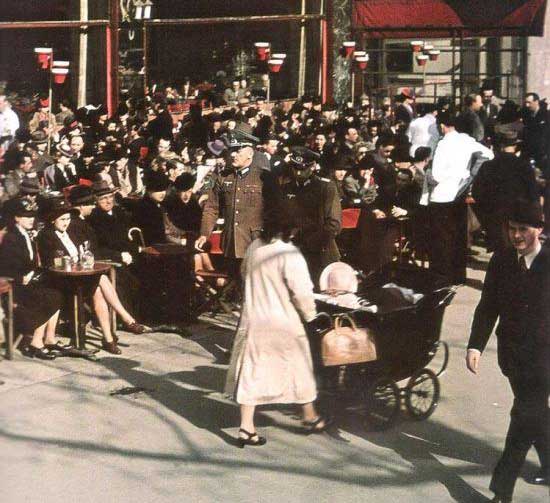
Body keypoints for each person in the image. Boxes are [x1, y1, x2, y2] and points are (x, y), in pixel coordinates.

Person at [224, 205, 329, 447]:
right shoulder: (289, 254)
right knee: (299, 367)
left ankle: (246, 427)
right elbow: (302, 291)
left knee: (252, 371)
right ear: (291, 230)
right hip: (283, 321)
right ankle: (309, 416)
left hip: (254, 318)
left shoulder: (255, 247)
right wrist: (311, 315)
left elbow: (243, 273)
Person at [466, 199, 549, 502]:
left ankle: (502, 490)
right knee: (535, 414)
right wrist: (475, 344)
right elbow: (487, 307)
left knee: (524, 416)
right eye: (511, 229)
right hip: (513, 356)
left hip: (544, 359)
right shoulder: (501, 260)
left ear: (538, 230)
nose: (515, 236)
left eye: (522, 230)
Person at [426, 111, 493, 285]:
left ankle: (442, 277)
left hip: (441, 196)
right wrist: (470, 175)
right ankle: (458, 275)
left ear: (442, 126)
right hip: (459, 194)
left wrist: (429, 176)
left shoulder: (443, 144)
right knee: (458, 237)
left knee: (441, 239)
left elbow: (437, 174)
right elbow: (488, 155)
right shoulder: (467, 140)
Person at [195, 132, 280, 264]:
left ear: (250, 154)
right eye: (232, 150)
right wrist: (204, 234)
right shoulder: (223, 177)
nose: (233, 154)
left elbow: (275, 210)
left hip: (256, 244)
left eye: (238, 151)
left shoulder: (264, 178)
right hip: (231, 244)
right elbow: (212, 207)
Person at [0, 198, 64, 360]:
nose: (30, 219)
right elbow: (5, 268)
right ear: (16, 218)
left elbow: (31, 263)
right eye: (26, 216)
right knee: (51, 296)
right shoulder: (11, 238)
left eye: (32, 216)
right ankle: (36, 343)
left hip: (28, 284)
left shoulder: (26, 235)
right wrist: (22, 277)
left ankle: (45, 339)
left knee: (57, 291)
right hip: (14, 288)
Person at [281, 147, 342, 285]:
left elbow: (333, 225)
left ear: (313, 166)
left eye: (302, 169)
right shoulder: (286, 188)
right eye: (295, 168)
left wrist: (305, 242)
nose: (297, 172)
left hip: (319, 255)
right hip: (291, 255)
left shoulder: (325, 188)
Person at [472, 131, 539, 252]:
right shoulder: (524, 166)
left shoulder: (488, 166)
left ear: (500, 146)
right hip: (518, 217)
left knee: (500, 254)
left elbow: (477, 192)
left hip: (494, 217)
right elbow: (533, 195)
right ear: (515, 146)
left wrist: (486, 212)